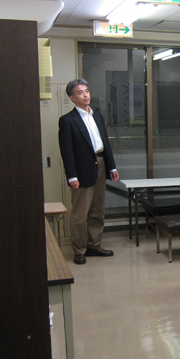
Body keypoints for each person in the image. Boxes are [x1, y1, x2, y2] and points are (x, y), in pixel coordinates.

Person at [59, 79, 119, 264]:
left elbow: (105, 142)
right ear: (72, 98)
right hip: (82, 169)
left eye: (87, 91)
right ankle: (79, 250)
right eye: (80, 92)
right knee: (80, 213)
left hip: (101, 164)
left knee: (97, 210)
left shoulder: (97, 116)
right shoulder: (67, 120)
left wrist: (112, 166)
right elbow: (67, 151)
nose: (85, 95)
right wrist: (72, 176)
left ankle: (94, 245)